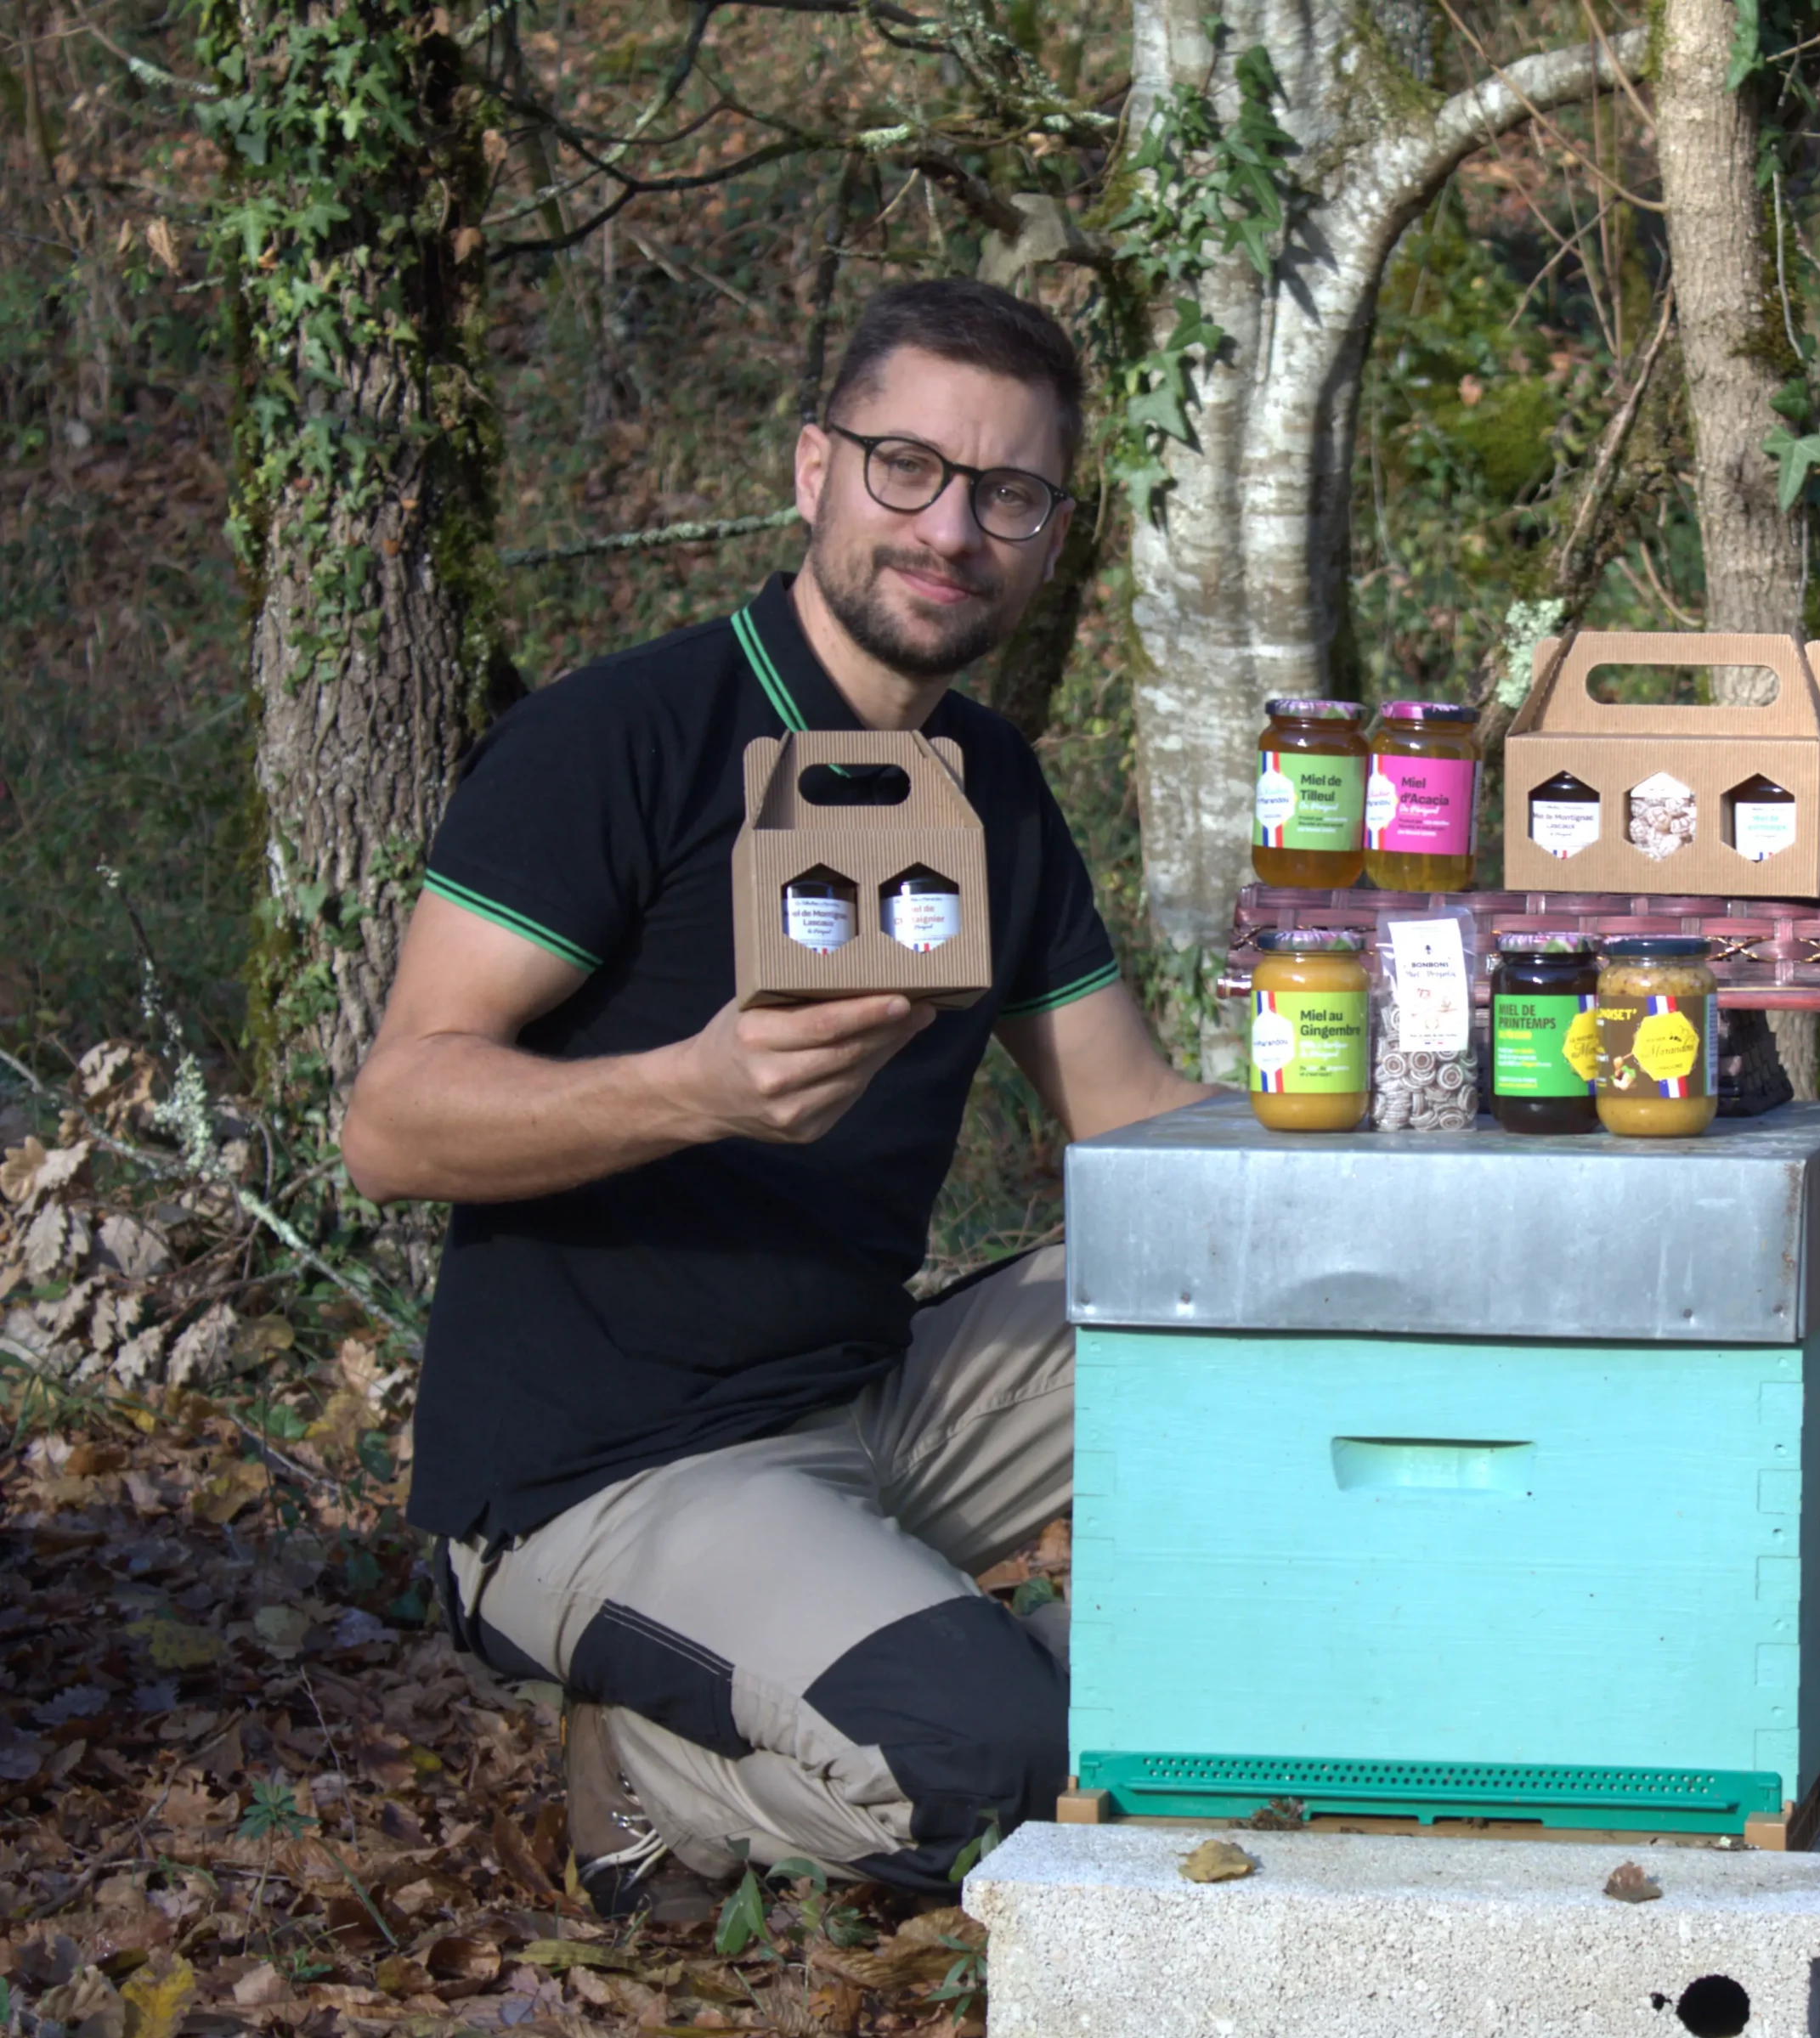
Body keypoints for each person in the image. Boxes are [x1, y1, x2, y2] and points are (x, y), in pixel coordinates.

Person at [342, 279, 1215, 1917]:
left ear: (1048, 534)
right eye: (908, 467)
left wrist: (1398, 1119)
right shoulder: (624, 737)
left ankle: (1002, 1666)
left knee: (1261, 1327)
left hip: (874, 1397)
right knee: (991, 1761)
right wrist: (695, 1086)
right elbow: (393, 1121)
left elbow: (1137, 1121)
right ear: (813, 469)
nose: (952, 528)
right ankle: (656, 1779)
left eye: (1008, 494)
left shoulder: (993, 792)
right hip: (603, 1473)